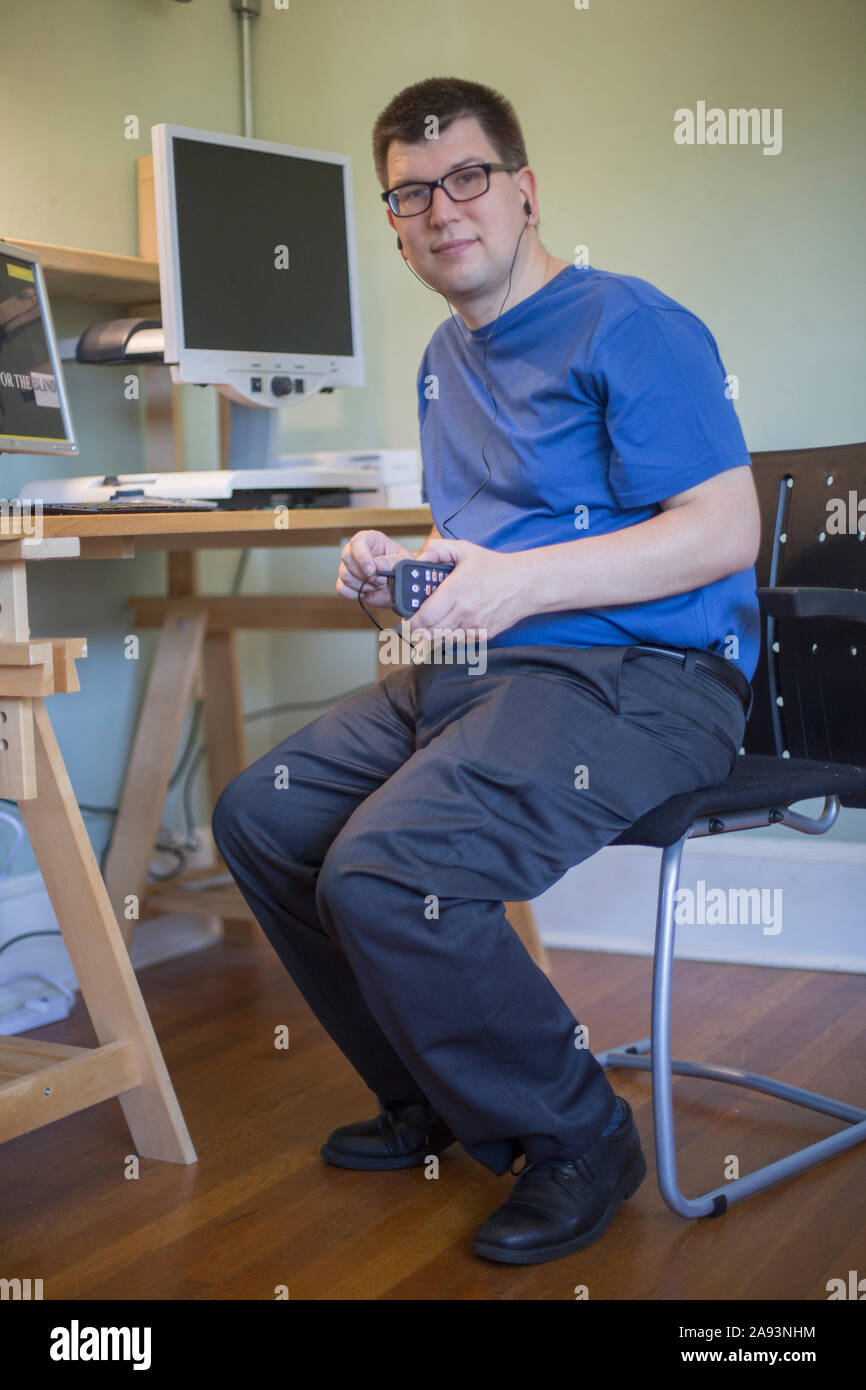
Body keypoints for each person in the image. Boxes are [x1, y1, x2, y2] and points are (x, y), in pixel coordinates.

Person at [212, 75, 761, 1266]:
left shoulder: (631, 324)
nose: (440, 209)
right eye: (409, 194)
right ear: (395, 221)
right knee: (261, 814)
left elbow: (722, 528)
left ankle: (575, 1138)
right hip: (481, 667)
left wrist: (515, 586)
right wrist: (394, 567)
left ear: (521, 188)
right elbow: (492, 542)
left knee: (387, 865)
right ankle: (431, 1097)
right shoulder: (440, 356)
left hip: (644, 678)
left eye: (464, 178)